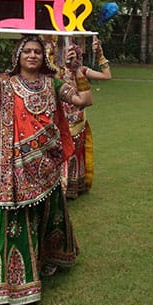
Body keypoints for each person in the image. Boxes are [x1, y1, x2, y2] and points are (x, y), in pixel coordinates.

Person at [0, 35, 93, 305]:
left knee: (46, 216)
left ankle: (47, 258)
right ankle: (11, 278)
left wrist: (76, 71)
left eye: (37, 52)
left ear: (45, 57)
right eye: (27, 51)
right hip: (11, 168)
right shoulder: (4, 83)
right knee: (14, 223)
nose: (32, 56)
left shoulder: (52, 83)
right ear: (18, 56)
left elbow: (84, 100)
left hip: (46, 164)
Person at [51, 37, 111, 198]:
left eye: (76, 56)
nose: (72, 58)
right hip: (60, 121)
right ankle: (59, 188)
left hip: (78, 120)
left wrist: (100, 54)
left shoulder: (81, 71)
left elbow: (107, 76)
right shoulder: (55, 72)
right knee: (62, 154)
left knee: (75, 155)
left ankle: (73, 187)